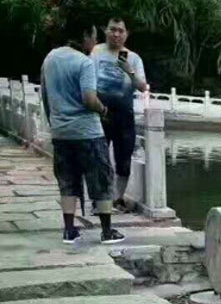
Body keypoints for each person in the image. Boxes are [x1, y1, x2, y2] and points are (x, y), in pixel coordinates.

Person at [40, 15, 124, 244]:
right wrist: (104, 110)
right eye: (94, 38)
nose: (94, 43)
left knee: (67, 180)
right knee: (102, 178)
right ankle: (107, 231)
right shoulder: (83, 62)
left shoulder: (50, 58)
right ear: (85, 35)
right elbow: (89, 99)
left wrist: (54, 122)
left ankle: (69, 230)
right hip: (87, 132)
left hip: (61, 133)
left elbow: (45, 95)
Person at [92, 17, 147, 210]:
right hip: (99, 112)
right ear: (105, 31)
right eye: (112, 29)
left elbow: (142, 87)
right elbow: (87, 81)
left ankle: (117, 199)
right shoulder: (96, 52)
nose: (116, 34)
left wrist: (129, 71)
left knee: (124, 160)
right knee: (98, 159)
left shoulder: (133, 58)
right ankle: (99, 198)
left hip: (124, 115)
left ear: (126, 34)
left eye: (120, 31)